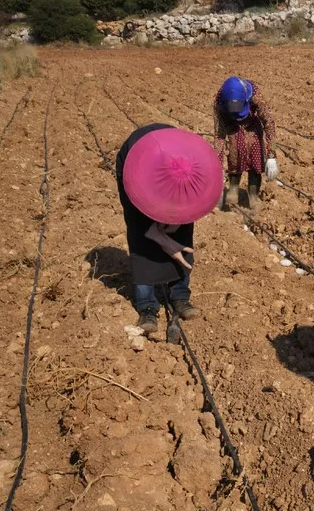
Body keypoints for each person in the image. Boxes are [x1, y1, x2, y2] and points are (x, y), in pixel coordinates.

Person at [116, 124, 223, 334]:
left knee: (182, 230)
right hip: (137, 165)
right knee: (141, 237)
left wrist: (175, 223)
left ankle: (180, 295)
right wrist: (161, 237)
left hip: (180, 166)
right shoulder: (137, 170)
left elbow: (192, 201)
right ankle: (147, 305)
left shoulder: (197, 165)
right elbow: (148, 228)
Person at [213, 76, 278, 212]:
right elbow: (219, 135)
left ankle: (253, 196)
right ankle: (233, 188)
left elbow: (269, 122)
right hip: (231, 124)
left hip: (252, 124)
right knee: (235, 151)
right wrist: (217, 168)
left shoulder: (254, 94)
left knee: (255, 154)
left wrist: (272, 154)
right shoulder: (219, 102)